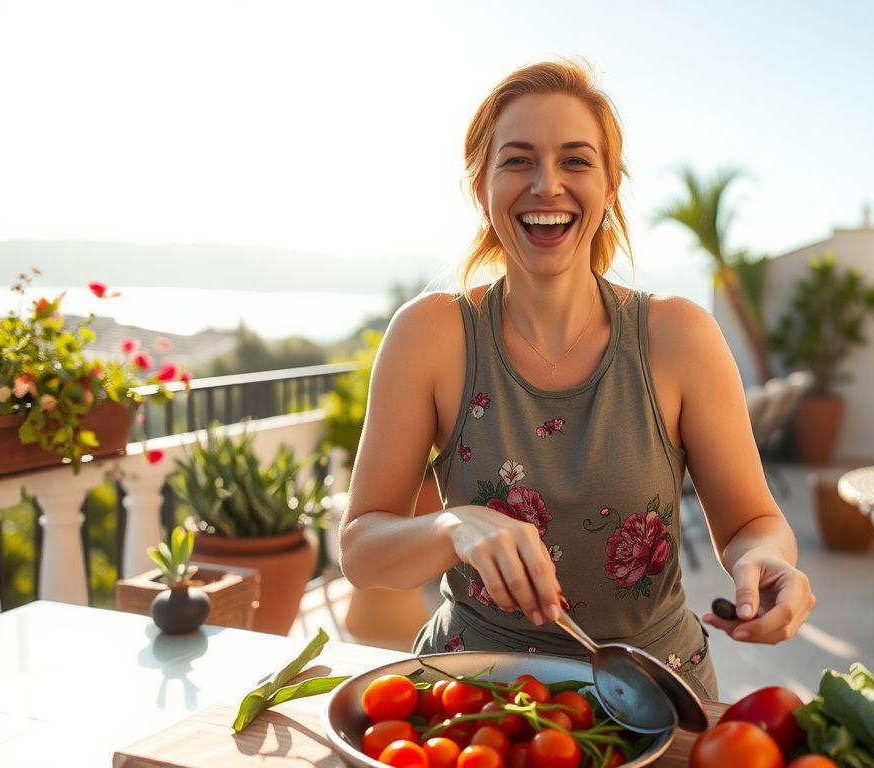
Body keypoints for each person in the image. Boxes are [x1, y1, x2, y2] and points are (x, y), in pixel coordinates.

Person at [338, 59, 813, 699]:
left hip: (650, 695)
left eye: (576, 161)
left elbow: (753, 520)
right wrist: (456, 526)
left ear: (611, 185)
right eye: (518, 160)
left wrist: (768, 561)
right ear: (481, 186)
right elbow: (361, 550)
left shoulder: (680, 336)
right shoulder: (430, 334)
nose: (547, 185)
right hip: (472, 698)